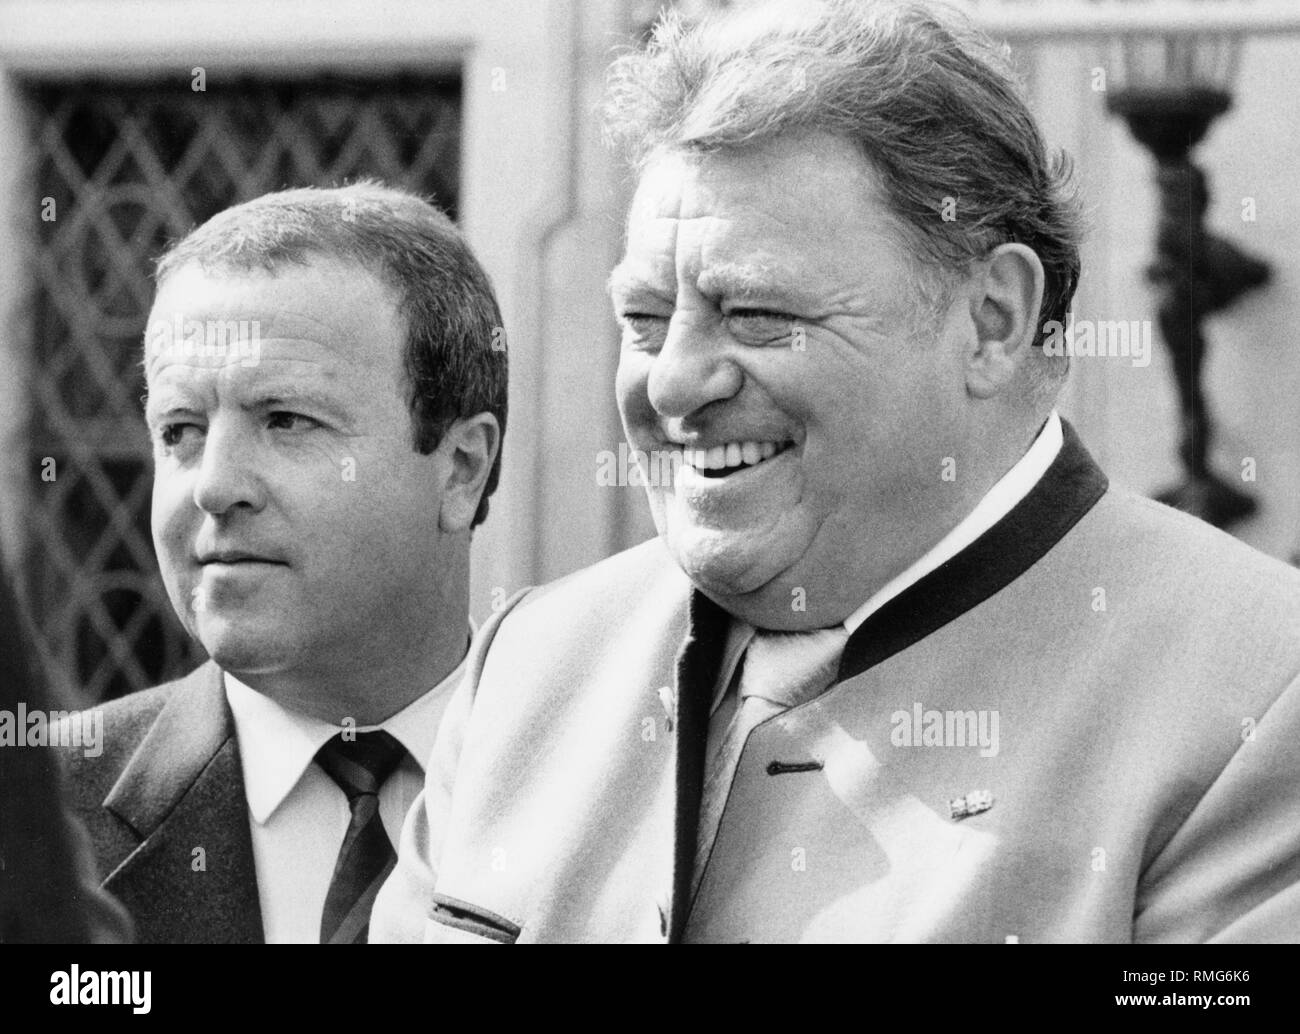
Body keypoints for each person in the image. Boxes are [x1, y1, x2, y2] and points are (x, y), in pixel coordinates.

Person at [373, 0, 1300, 944]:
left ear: (991, 320)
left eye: (757, 313)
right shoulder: (529, 666)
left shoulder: (1261, 701)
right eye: (645, 320)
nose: (676, 382)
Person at [59, 182, 507, 943]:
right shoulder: (39, 822)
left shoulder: (626, 802)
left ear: (461, 467)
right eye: (180, 430)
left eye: (285, 419)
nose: (214, 486)